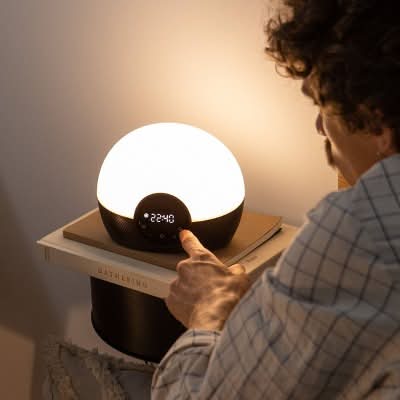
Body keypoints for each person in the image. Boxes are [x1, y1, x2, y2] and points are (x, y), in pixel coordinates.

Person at [151, 1, 400, 398]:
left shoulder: (363, 230)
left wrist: (210, 308)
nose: (320, 127)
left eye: (322, 103)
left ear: (377, 123)